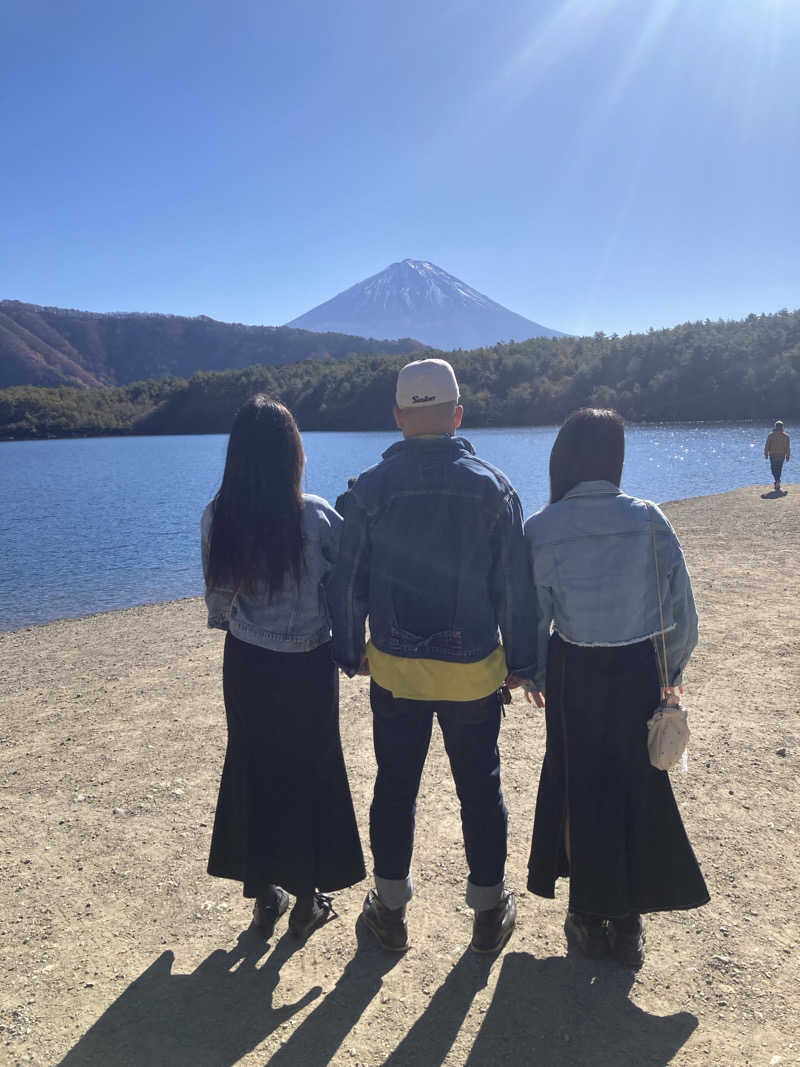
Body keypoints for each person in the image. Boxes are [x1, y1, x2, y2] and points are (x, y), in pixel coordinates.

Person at [329, 358, 538, 954]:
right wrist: (521, 661)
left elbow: (347, 585)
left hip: (393, 672)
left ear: (398, 418)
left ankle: (389, 912)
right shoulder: (494, 489)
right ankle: (489, 911)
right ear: (458, 415)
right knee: (480, 787)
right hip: (474, 674)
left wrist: (351, 651)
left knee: (396, 785)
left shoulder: (368, 491)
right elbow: (513, 590)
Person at [522, 408, 709, 969]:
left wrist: (532, 672)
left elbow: (534, 616)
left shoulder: (541, 528)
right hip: (638, 671)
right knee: (637, 787)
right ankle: (629, 924)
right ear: (616, 458)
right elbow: (683, 617)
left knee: (579, 787)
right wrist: (670, 675)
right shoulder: (651, 520)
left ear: (564, 459)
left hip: (572, 669)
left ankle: (587, 916)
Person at [202, 394, 365, 939]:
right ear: (292, 453)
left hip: (246, 663)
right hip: (307, 665)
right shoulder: (317, 515)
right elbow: (348, 585)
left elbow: (218, 605)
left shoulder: (218, 514)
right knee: (311, 770)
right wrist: (351, 647)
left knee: (255, 766)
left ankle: (264, 893)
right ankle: (307, 898)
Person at [764, 420, 790, 491]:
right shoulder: (785, 436)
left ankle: (777, 481)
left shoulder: (771, 435)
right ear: (782, 427)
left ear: (775, 426)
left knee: (774, 469)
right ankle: (777, 481)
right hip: (780, 455)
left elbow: (767, 446)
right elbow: (788, 448)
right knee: (778, 469)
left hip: (774, 455)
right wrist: (787, 456)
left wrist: (766, 454)